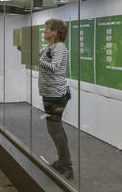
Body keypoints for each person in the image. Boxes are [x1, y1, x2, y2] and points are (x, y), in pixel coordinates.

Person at [39, 18, 73, 179]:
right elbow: (36, 57)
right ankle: (62, 161)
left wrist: (36, 59)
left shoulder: (60, 47)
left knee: (56, 129)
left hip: (57, 96)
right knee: (53, 128)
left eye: (47, 28)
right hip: (48, 93)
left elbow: (55, 68)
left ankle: (67, 166)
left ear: (55, 32)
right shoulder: (47, 47)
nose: (44, 31)